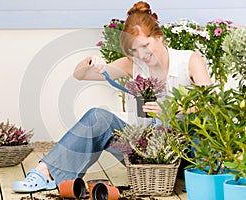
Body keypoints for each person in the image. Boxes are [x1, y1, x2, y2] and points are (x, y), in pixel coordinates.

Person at [12, 1, 212, 192]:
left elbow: (210, 105)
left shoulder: (189, 61)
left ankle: (206, 178)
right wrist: (90, 62)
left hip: (188, 155)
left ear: (159, 37)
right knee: (98, 117)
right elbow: (80, 75)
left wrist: (171, 110)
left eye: (145, 45)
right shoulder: (133, 65)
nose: (142, 54)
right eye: (135, 50)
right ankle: (45, 173)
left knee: (204, 126)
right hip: (144, 150)